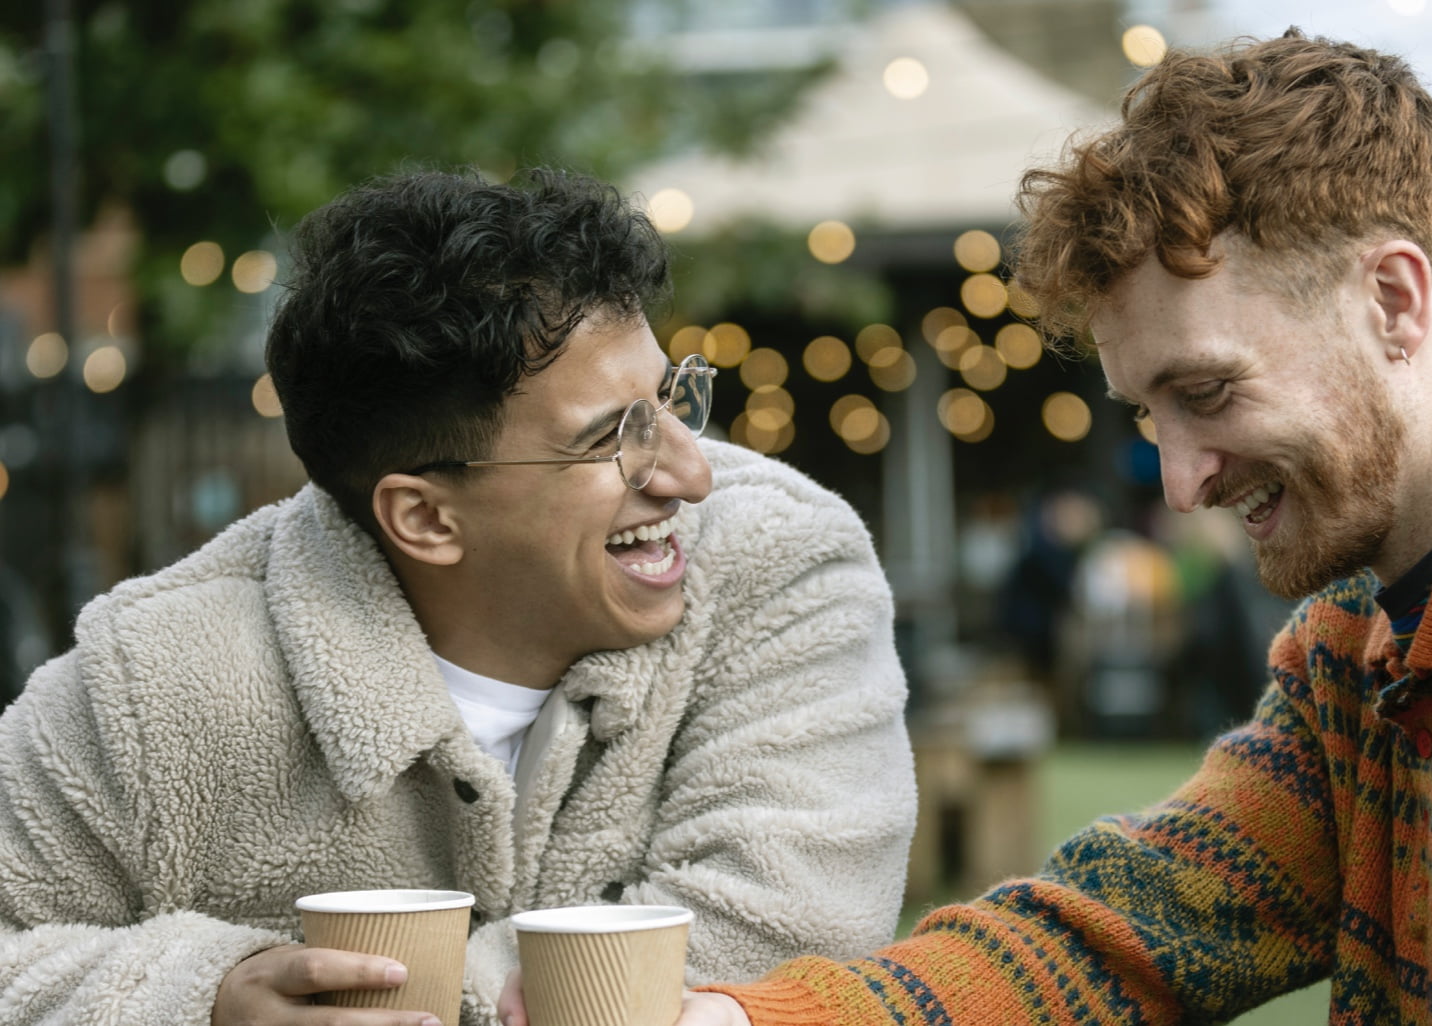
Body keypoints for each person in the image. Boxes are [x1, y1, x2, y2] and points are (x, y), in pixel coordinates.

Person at [668, 29, 1432, 1026]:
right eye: (1148, 413)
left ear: (1393, 300)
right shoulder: (1358, 631)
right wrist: (738, 1020)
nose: (1180, 484)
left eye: (1208, 390)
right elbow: (1129, 926)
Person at [0, 168, 917, 1025]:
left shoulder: (783, 565)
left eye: (672, 399)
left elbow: (792, 933)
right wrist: (207, 998)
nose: (688, 473)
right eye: (613, 439)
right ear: (426, 519)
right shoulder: (151, 680)